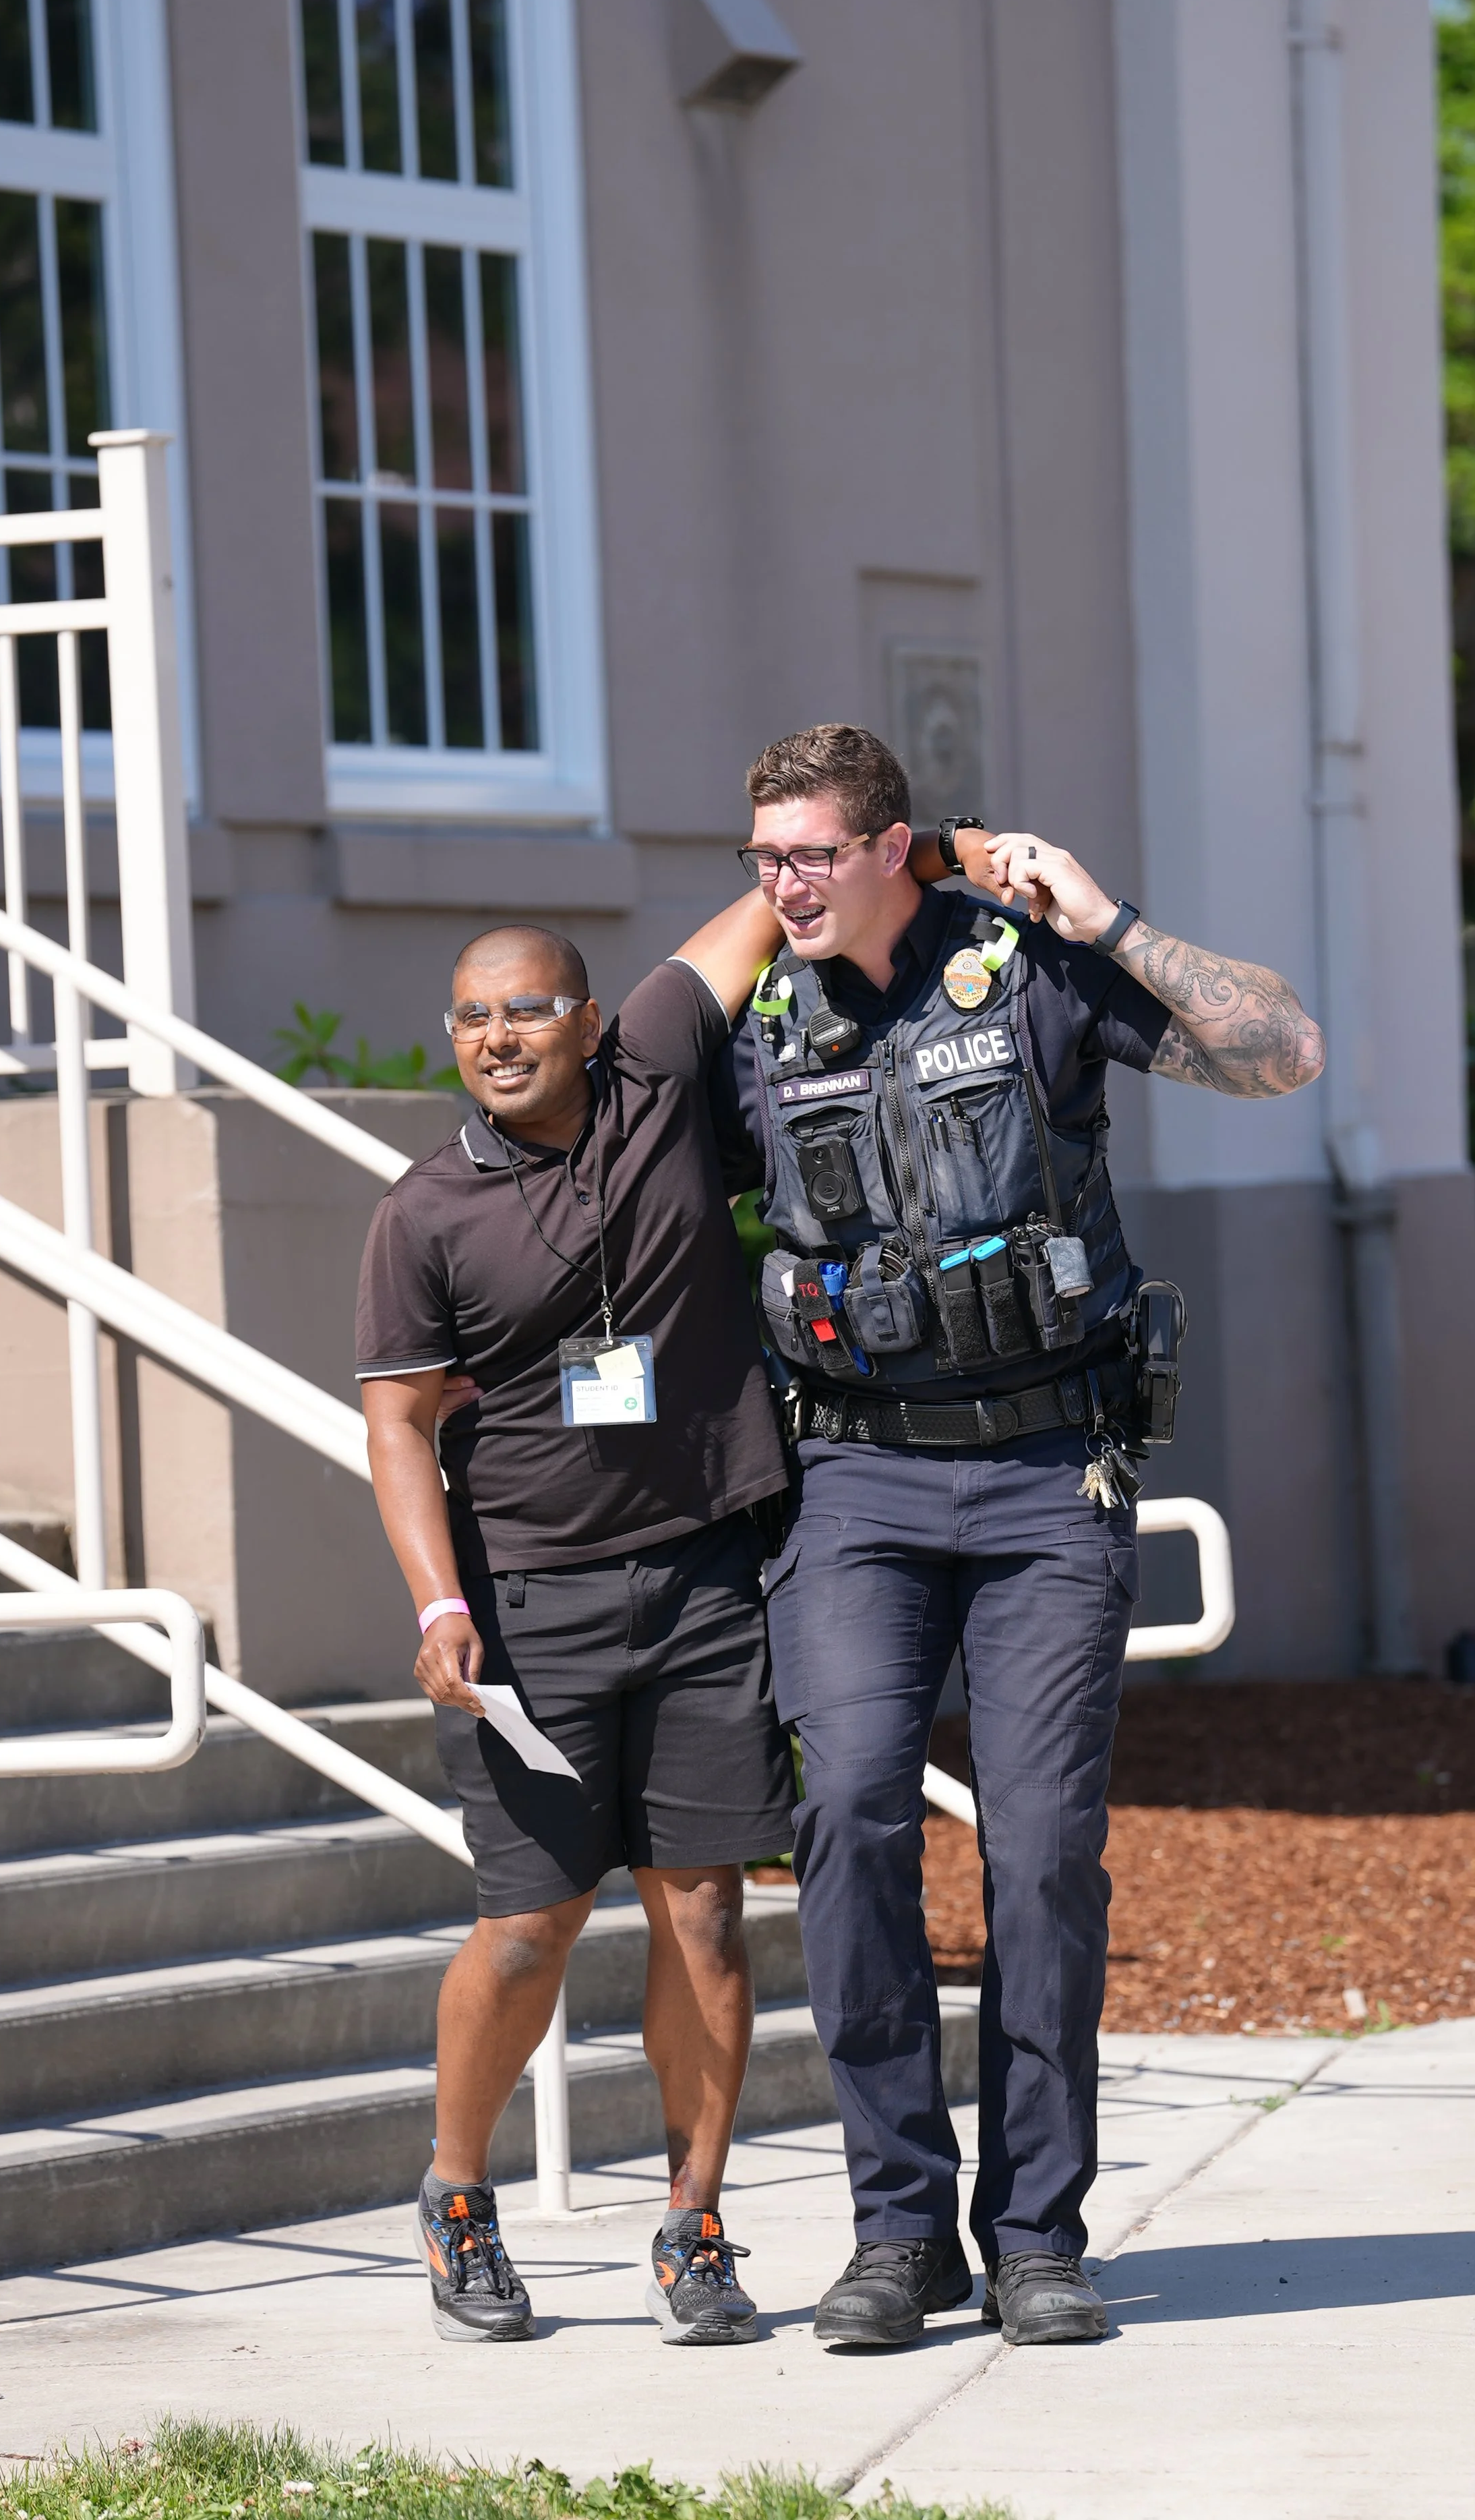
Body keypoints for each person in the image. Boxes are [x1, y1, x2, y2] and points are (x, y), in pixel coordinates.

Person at [710, 722, 1325, 2349]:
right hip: (854, 1482)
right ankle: (895, 2235)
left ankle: (1036, 2234)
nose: (781, 883)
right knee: (847, 1811)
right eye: (762, 854)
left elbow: (1279, 1052)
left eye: (810, 854)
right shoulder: (758, 1017)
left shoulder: (1025, 972)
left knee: (1043, 1854)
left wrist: (1101, 918)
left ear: (891, 844)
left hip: (1053, 1476)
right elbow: (621, 1131)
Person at [355, 840, 987, 2347]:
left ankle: (693, 2221)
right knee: (529, 1925)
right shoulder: (425, 1212)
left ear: (584, 1017)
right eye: (468, 1018)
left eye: (523, 1009)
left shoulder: (653, 1063)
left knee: (702, 1915)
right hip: (527, 1603)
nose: (496, 1038)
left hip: (709, 1572)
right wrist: (440, 1605)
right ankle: (455, 2194)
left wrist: (933, 849)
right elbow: (398, 1421)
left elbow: (780, 895)